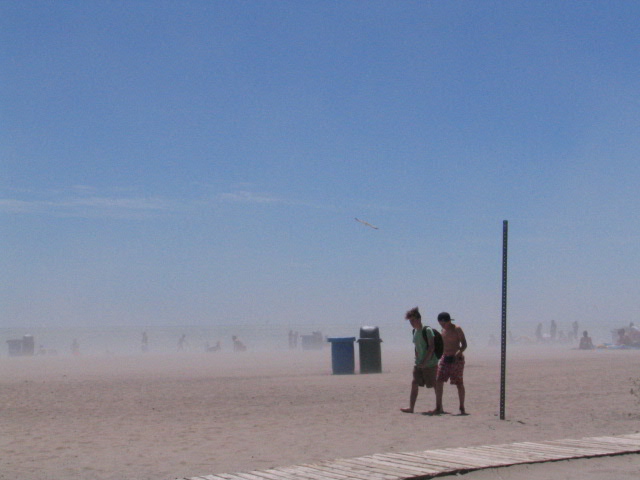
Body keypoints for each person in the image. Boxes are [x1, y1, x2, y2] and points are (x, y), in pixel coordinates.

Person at [400, 307, 438, 414]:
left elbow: (432, 347)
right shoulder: (415, 332)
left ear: (419, 319)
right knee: (414, 383)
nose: (411, 323)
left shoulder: (427, 330)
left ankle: (439, 407)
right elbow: (417, 347)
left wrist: (425, 361)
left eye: (413, 320)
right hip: (419, 364)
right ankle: (411, 408)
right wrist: (417, 358)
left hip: (430, 364)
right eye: (410, 321)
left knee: (435, 385)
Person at [434, 312, 467, 415]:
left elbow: (464, 344)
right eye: (440, 323)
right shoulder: (443, 330)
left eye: (443, 323)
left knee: (459, 383)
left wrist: (459, 352)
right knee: (438, 380)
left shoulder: (457, 329)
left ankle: (462, 406)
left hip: (456, 359)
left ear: (447, 321)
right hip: (445, 358)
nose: (442, 325)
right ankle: (439, 407)